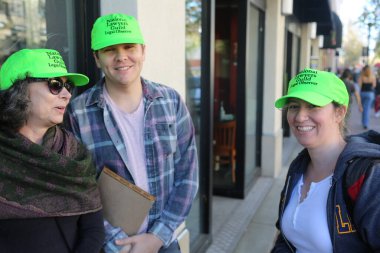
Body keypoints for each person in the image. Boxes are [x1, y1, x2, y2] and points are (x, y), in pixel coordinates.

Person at [65, 13, 199, 253]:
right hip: (112, 246)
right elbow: (77, 188)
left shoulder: (170, 101)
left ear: (143, 52)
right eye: (110, 50)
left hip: (164, 243)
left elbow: (188, 175)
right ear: (97, 58)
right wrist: (117, 243)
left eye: (129, 47)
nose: (121, 57)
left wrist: (158, 236)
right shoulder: (78, 112)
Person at [0, 48, 105, 252]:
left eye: (68, 86)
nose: (67, 95)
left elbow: (93, 229)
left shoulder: (74, 153)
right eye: (55, 85)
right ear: (19, 90)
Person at [271, 68, 380, 252]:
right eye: (294, 106)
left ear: (339, 113)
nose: (299, 117)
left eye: (313, 105)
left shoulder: (367, 176)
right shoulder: (298, 167)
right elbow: (287, 237)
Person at [358, 65, 377, 129]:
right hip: (370, 94)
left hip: (363, 93)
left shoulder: (361, 76)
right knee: (367, 109)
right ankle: (365, 123)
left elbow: (359, 85)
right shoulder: (373, 76)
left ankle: (364, 123)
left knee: (364, 108)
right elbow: (374, 86)